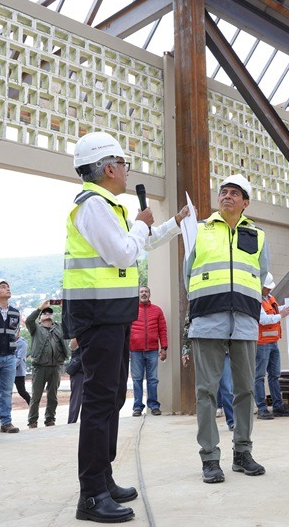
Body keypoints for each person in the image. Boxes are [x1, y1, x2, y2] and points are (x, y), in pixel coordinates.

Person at [64, 131, 188, 523]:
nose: (125, 171)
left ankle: (104, 477)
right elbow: (123, 249)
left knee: (113, 397)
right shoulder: (94, 205)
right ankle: (91, 495)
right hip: (98, 316)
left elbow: (137, 245)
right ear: (109, 167)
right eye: (123, 163)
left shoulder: (106, 206)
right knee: (101, 403)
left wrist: (170, 224)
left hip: (111, 315)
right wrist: (140, 224)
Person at [185, 173, 269, 484]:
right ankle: (210, 458)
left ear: (245, 203)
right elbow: (188, 273)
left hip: (245, 323)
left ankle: (242, 453)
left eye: (234, 193)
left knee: (246, 389)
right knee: (207, 391)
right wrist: (198, 310)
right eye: (223, 192)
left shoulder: (258, 236)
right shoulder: (201, 230)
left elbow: (260, 275)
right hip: (208, 320)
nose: (227, 197)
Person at [255, 272, 289, 420]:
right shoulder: (255, 300)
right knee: (259, 376)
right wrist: (282, 315)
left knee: (274, 376)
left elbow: (276, 309)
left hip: (273, 343)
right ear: (260, 286)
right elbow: (263, 320)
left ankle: (278, 407)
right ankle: (262, 408)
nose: (270, 290)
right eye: (267, 288)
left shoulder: (269, 298)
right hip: (262, 344)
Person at [26, 302, 70, 428]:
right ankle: (32, 421)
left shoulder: (59, 328)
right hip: (39, 367)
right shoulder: (35, 328)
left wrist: (64, 306)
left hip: (56, 366)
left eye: (49, 312)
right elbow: (29, 320)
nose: (46, 314)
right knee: (36, 396)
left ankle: (50, 419)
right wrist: (39, 308)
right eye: (43, 313)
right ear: (40, 317)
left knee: (53, 396)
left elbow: (69, 320)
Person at [0, 278, 21, 434]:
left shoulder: (15, 312)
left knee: (7, 391)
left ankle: (6, 422)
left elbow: (16, 332)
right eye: (3, 287)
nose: (7, 289)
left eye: (8, 287)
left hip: (9, 356)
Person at [130, 286, 168, 417]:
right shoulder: (131, 310)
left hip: (152, 350)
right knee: (137, 380)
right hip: (135, 351)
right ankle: (137, 407)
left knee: (152, 379)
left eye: (146, 291)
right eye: (141, 292)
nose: (144, 293)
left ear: (150, 294)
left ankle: (154, 406)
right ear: (138, 295)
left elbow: (162, 330)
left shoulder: (157, 310)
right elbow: (126, 331)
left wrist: (164, 348)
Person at [66, 338, 82, 424]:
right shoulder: (77, 334)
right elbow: (72, 346)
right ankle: (72, 422)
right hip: (79, 370)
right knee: (76, 399)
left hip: (92, 370)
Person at [14, 334, 31, 405]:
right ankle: (1, 413)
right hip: (7, 371)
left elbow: (20, 358)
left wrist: (9, 367)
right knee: (4, 392)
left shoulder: (23, 343)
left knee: (22, 391)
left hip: (18, 372)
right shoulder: (7, 340)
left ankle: (32, 407)